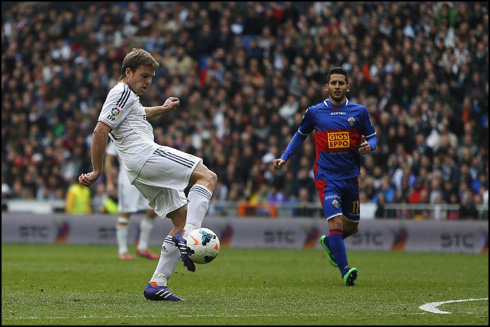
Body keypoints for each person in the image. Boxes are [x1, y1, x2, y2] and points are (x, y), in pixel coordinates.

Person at [79, 48, 218, 301]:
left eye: (151, 78)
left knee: (182, 218)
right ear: (128, 72)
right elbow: (100, 131)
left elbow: (140, 113)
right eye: (144, 76)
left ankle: (157, 283)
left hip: (138, 168)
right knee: (208, 177)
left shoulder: (128, 97)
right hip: (145, 156)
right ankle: (190, 238)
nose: (148, 81)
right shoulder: (120, 92)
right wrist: (97, 170)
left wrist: (162, 109)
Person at [273, 67, 377, 286]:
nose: (337, 87)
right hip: (326, 178)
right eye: (334, 83)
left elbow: (373, 137)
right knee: (336, 223)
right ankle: (346, 271)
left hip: (350, 178)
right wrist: (284, 157)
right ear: (327, 86)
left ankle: (330, 243)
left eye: (341, 83)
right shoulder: (315, 112)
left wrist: (370, 146)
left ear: (348, 87)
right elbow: (299, 135)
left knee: (352, 227)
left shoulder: (359, 112)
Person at [105, 140, 159, 260]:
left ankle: (142, 248)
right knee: (126, 213)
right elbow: (108, 159)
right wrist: (109, 182)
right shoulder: (117, 134)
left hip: (145, 179)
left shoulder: (142, 131)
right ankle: (122, 250)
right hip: (127, 180)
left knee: (152, 210)